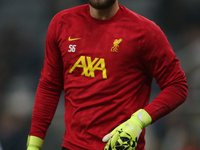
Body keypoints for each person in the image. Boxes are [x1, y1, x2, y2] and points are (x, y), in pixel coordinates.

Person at [26, 0, 188, 150]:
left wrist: (138, 120)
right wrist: (33, 145)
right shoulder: (62, 23)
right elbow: (50, 86)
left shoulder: (145, 32)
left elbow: (177, 85)